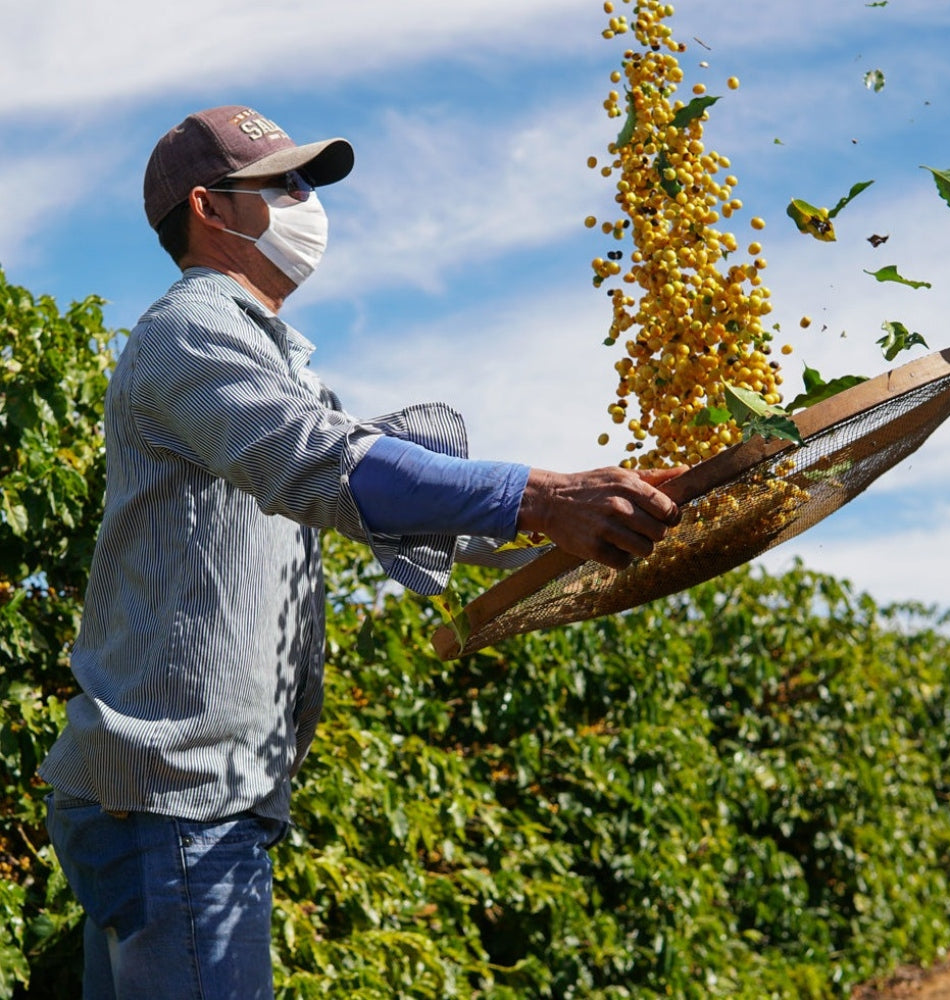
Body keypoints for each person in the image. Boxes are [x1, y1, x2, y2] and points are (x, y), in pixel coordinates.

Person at [40, 105, 686, 999]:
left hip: (179, 800)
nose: (310, 202)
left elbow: (395, 503)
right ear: (210, 209)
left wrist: (597, 512)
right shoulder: (190, 332)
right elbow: (327, 462)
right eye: (286, 184)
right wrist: (542, 495)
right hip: (176, 801)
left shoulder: (273, 365)